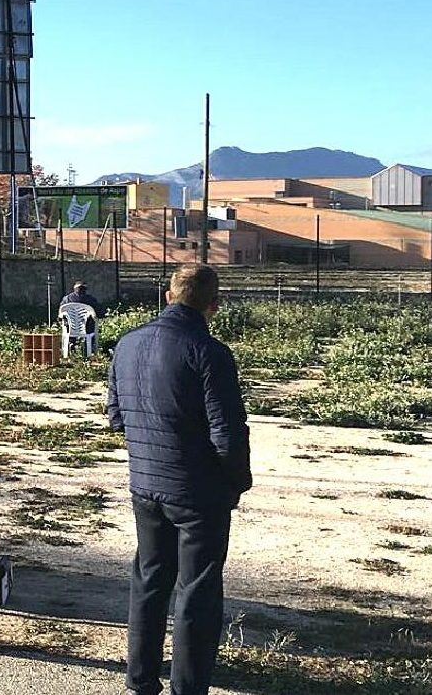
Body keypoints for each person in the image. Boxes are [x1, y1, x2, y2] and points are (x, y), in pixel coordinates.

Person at [106, 264, 250, 695]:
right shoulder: (209, 352)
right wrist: (236, 482)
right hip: (198, 493)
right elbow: (226, 434)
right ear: (214, 304)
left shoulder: (127, 345)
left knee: (149, 581)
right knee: (197, 593)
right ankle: (187, 688)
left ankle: (140, 681)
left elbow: (116, 418)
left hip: (145, 484)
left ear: (167, 295)